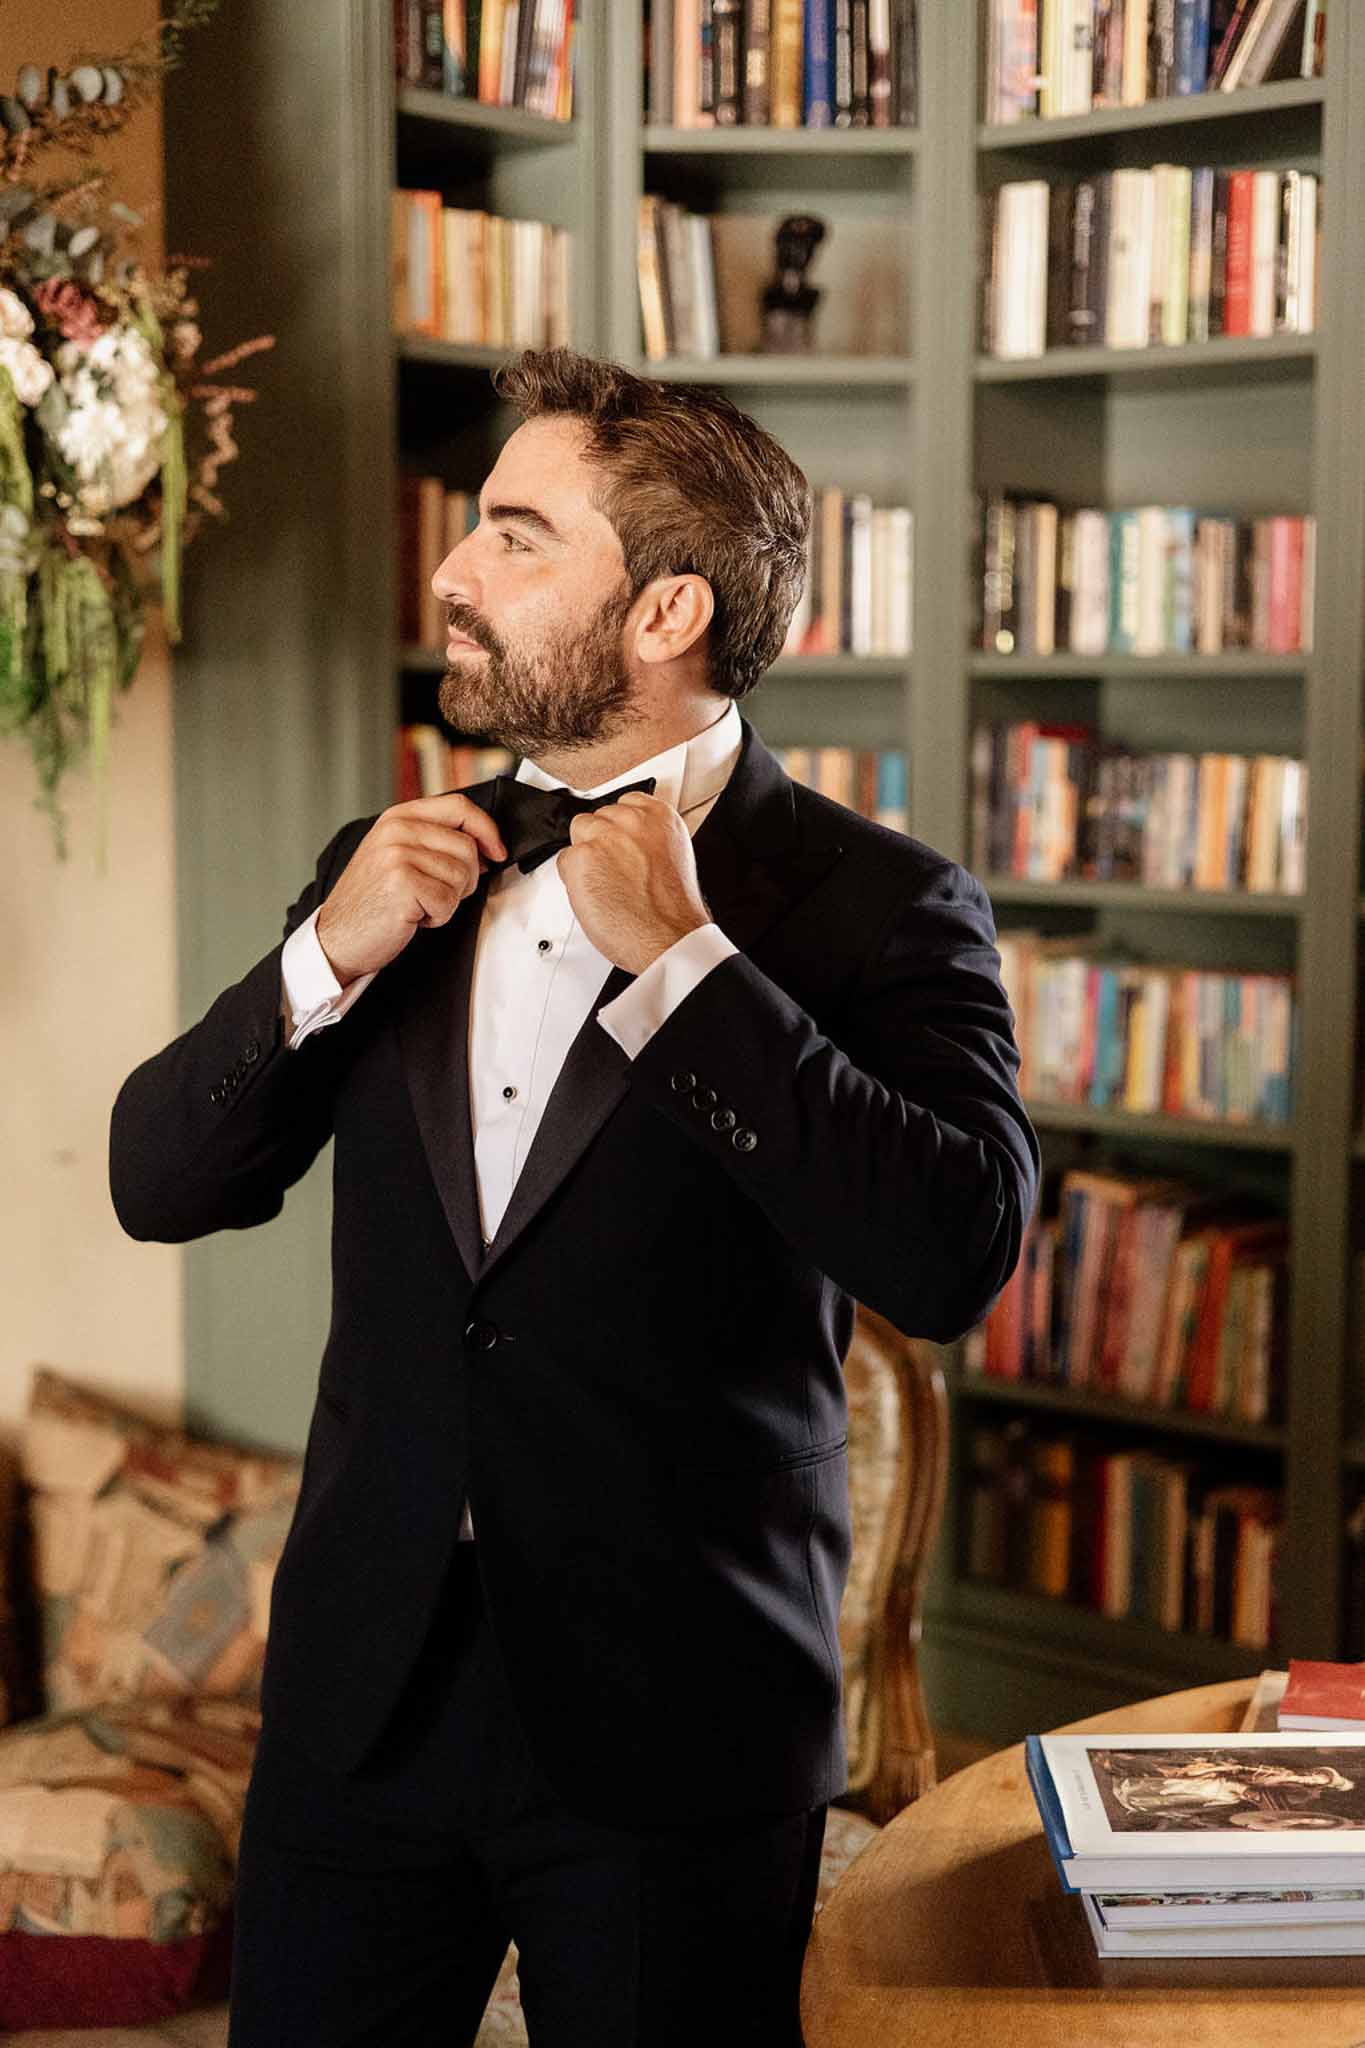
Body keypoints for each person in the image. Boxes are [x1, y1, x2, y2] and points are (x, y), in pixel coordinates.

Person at [109, 346, 1040, 2046]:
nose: (454, 574)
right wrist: (322, 958)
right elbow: (157, 1180)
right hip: (362, 1703)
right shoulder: (390, 861)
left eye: (514, 538)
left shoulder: (880, 908)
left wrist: (687, 967)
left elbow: (956, 1247)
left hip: (677, 1726)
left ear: (665, 609)